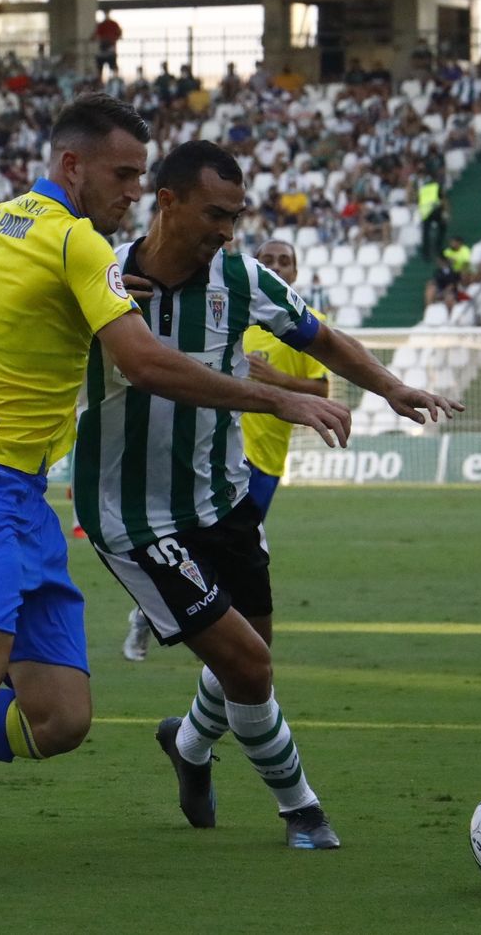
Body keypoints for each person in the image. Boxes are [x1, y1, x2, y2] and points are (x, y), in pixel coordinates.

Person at [0, 96, 351, 886]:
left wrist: (59, 314)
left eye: (140, 176)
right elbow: (147, 365)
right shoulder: (82, 245)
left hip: (27, 498)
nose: (131, 191)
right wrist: (280, 397)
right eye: (121, 175)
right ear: (71, 165)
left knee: (58, 721)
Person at [78, 140, 460, 851]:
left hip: (222, 501)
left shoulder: (241, 277)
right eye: (215, 214)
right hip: (133, 516)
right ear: (168, 202)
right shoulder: (100, 275)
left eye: (236, 216)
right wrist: (272, 402)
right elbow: (156, 373)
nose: (227, 230)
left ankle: (189, 744)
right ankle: (303, 811)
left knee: (248, 661)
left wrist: (392, 388)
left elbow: (321, 338)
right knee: (249, 666)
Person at [122, 238, 331, 662]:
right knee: (222, 553)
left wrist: (277, 380)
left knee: (224, 560)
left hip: (269, 460)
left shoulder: (303, 324)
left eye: (284, 260)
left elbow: (322, 388)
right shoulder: (237, 311)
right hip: (225, 452)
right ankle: (202, 641)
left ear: (295, 271)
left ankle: (158, 617)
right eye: (267, 259)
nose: (274, 265)